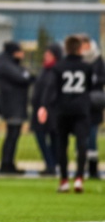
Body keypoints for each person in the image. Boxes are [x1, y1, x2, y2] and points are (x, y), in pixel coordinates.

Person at [38, 35, 93, 193]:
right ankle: (79, 179)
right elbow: (89, 88)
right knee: (81, 144)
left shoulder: (58, 67)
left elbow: (51, 88)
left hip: (63, 110)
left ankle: (63, 180)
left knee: (62, 145)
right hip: (81, 110)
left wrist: (44, 106)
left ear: (66, 48)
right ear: (79, 48)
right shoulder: (86, 67)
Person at [0, 41, 34, 174]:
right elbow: (23, 77)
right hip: (12, 105)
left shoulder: (9, 64)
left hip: (15, 105)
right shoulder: (6, 65)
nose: (22, 54)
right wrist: (26, 74)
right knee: (12, 135)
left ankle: (9, 163)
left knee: (14, 135)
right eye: (20, 51)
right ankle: (5, 165)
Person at [30, 44, 63, 176]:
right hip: (39, 110)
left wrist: (48, 105)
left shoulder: (58, 70)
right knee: (40, 136)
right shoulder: (44, 70)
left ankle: (52, 165)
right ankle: (50, 163)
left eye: (49, 54)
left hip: (52, 110)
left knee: (54, 137)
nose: (46, 56)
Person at [79, 34, 105, 179]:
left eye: (85, 45)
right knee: (81, 138)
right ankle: (80, 169)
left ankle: (93, 170)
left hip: (94, 106)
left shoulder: (98, 60)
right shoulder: (78, 61)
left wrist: (94, 79)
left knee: (92, 138)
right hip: (81, 105)